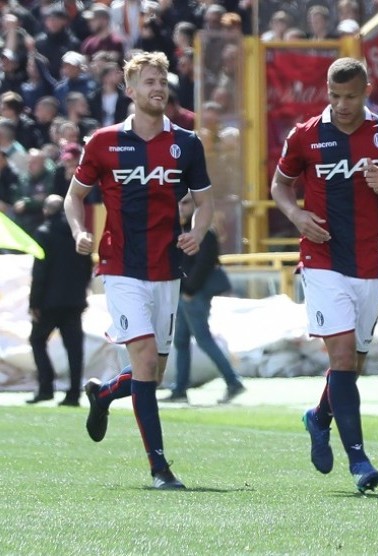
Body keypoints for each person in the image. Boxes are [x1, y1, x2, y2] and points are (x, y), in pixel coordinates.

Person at [64, 51, 215, 490]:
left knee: (153, 371)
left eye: (162, 81)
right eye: (148, 82)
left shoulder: (186, 143)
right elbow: (76, 196)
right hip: (121, 267)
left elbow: (205, 204)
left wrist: (198, 233)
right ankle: (159, 469)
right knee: (146, 360)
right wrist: (78, 230)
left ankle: (105, 392)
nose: (157, 88)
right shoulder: (104, 142)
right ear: (129, 91)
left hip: (166, 268)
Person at [270, 57, 378, 493]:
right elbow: (279, 185)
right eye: (334, 96)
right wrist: (297, 216)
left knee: (355, 364)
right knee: (344, 359)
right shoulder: (306, 135)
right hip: (321, 259)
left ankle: (318, 418)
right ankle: (359, 461)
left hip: (368, 264)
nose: (342, 104)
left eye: (350, 96)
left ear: (366, 90)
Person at [163, 193, 245, 404]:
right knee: (180, 341)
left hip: (194, 294)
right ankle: (180, 389)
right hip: (183, 293)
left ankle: (233, 382)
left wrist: (189, 290)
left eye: (186, 203)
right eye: (178, 203)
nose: (181, 207)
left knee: (203, 339)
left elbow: (204, 264)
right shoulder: (179, 229)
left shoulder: (204, 232)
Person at [26, 194, 92, 406]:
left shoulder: (44, 233)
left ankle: (46, 387)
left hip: (48, 303)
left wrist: (34, 303)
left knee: (37, 340)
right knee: (74, 349)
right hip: (74, 302)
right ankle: (74, 393)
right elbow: (87, 268)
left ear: (46, 210)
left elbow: (40, 272)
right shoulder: (78, 234)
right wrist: (82, 295)